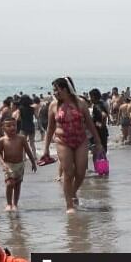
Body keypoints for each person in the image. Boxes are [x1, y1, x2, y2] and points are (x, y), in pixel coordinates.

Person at [40, 77, 103, 213]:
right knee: (68, 173)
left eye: (56, 90)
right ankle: (69, 205)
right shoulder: (53, 105)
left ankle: (72, 192)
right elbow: (50, 128)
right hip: (63, 141)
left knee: (80, 172)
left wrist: (98, 142)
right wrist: (45, 149)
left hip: (80, 140)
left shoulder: (80, 103)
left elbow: (90, 124)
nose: (54, 93)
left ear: (65, 89)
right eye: (54, 90)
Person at [0, 116, 37, 211]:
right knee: (9, 184)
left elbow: (28, 151)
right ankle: (8, 204)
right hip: (8, 165)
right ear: (3, 127)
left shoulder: (21, 138)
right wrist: (3, 164)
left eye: (14, 125)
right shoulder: (2, 140)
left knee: (17, 185)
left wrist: (33, 162)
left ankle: (15, 204)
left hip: (19, 165)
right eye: (9, 126)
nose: (12, 127)